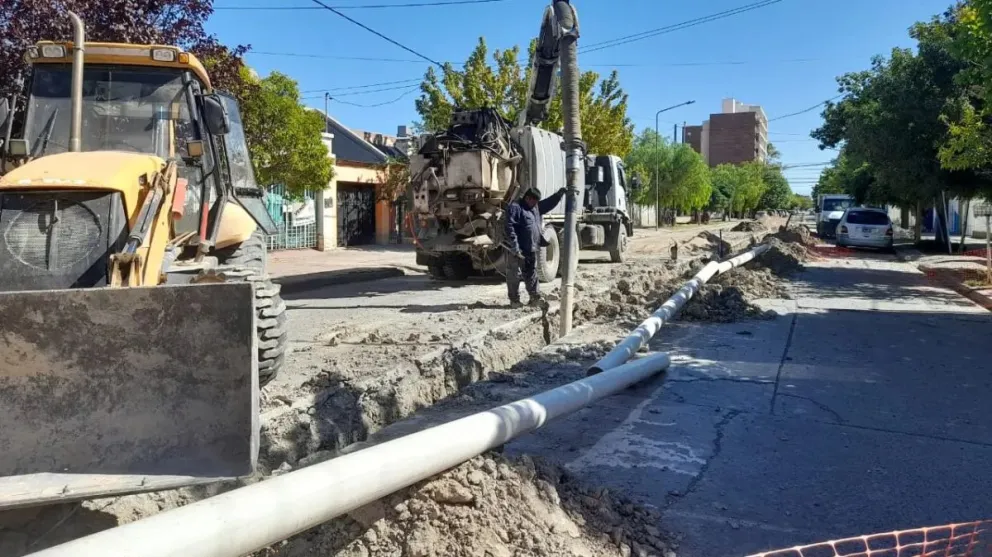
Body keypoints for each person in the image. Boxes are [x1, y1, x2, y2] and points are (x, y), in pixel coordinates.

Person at [504, 186, 567, 308]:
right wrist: (515, 248)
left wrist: (558, 195)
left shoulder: (535, 207)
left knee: (531, 273)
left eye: (537, 202)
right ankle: (514, 300)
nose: (536, 204)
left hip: (531, 248)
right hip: (518, 250)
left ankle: (535, 298)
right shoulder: (515, 208)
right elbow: (509, 228)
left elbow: (547, 204)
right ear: (527, 198)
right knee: (514, 275)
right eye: (534, 201)